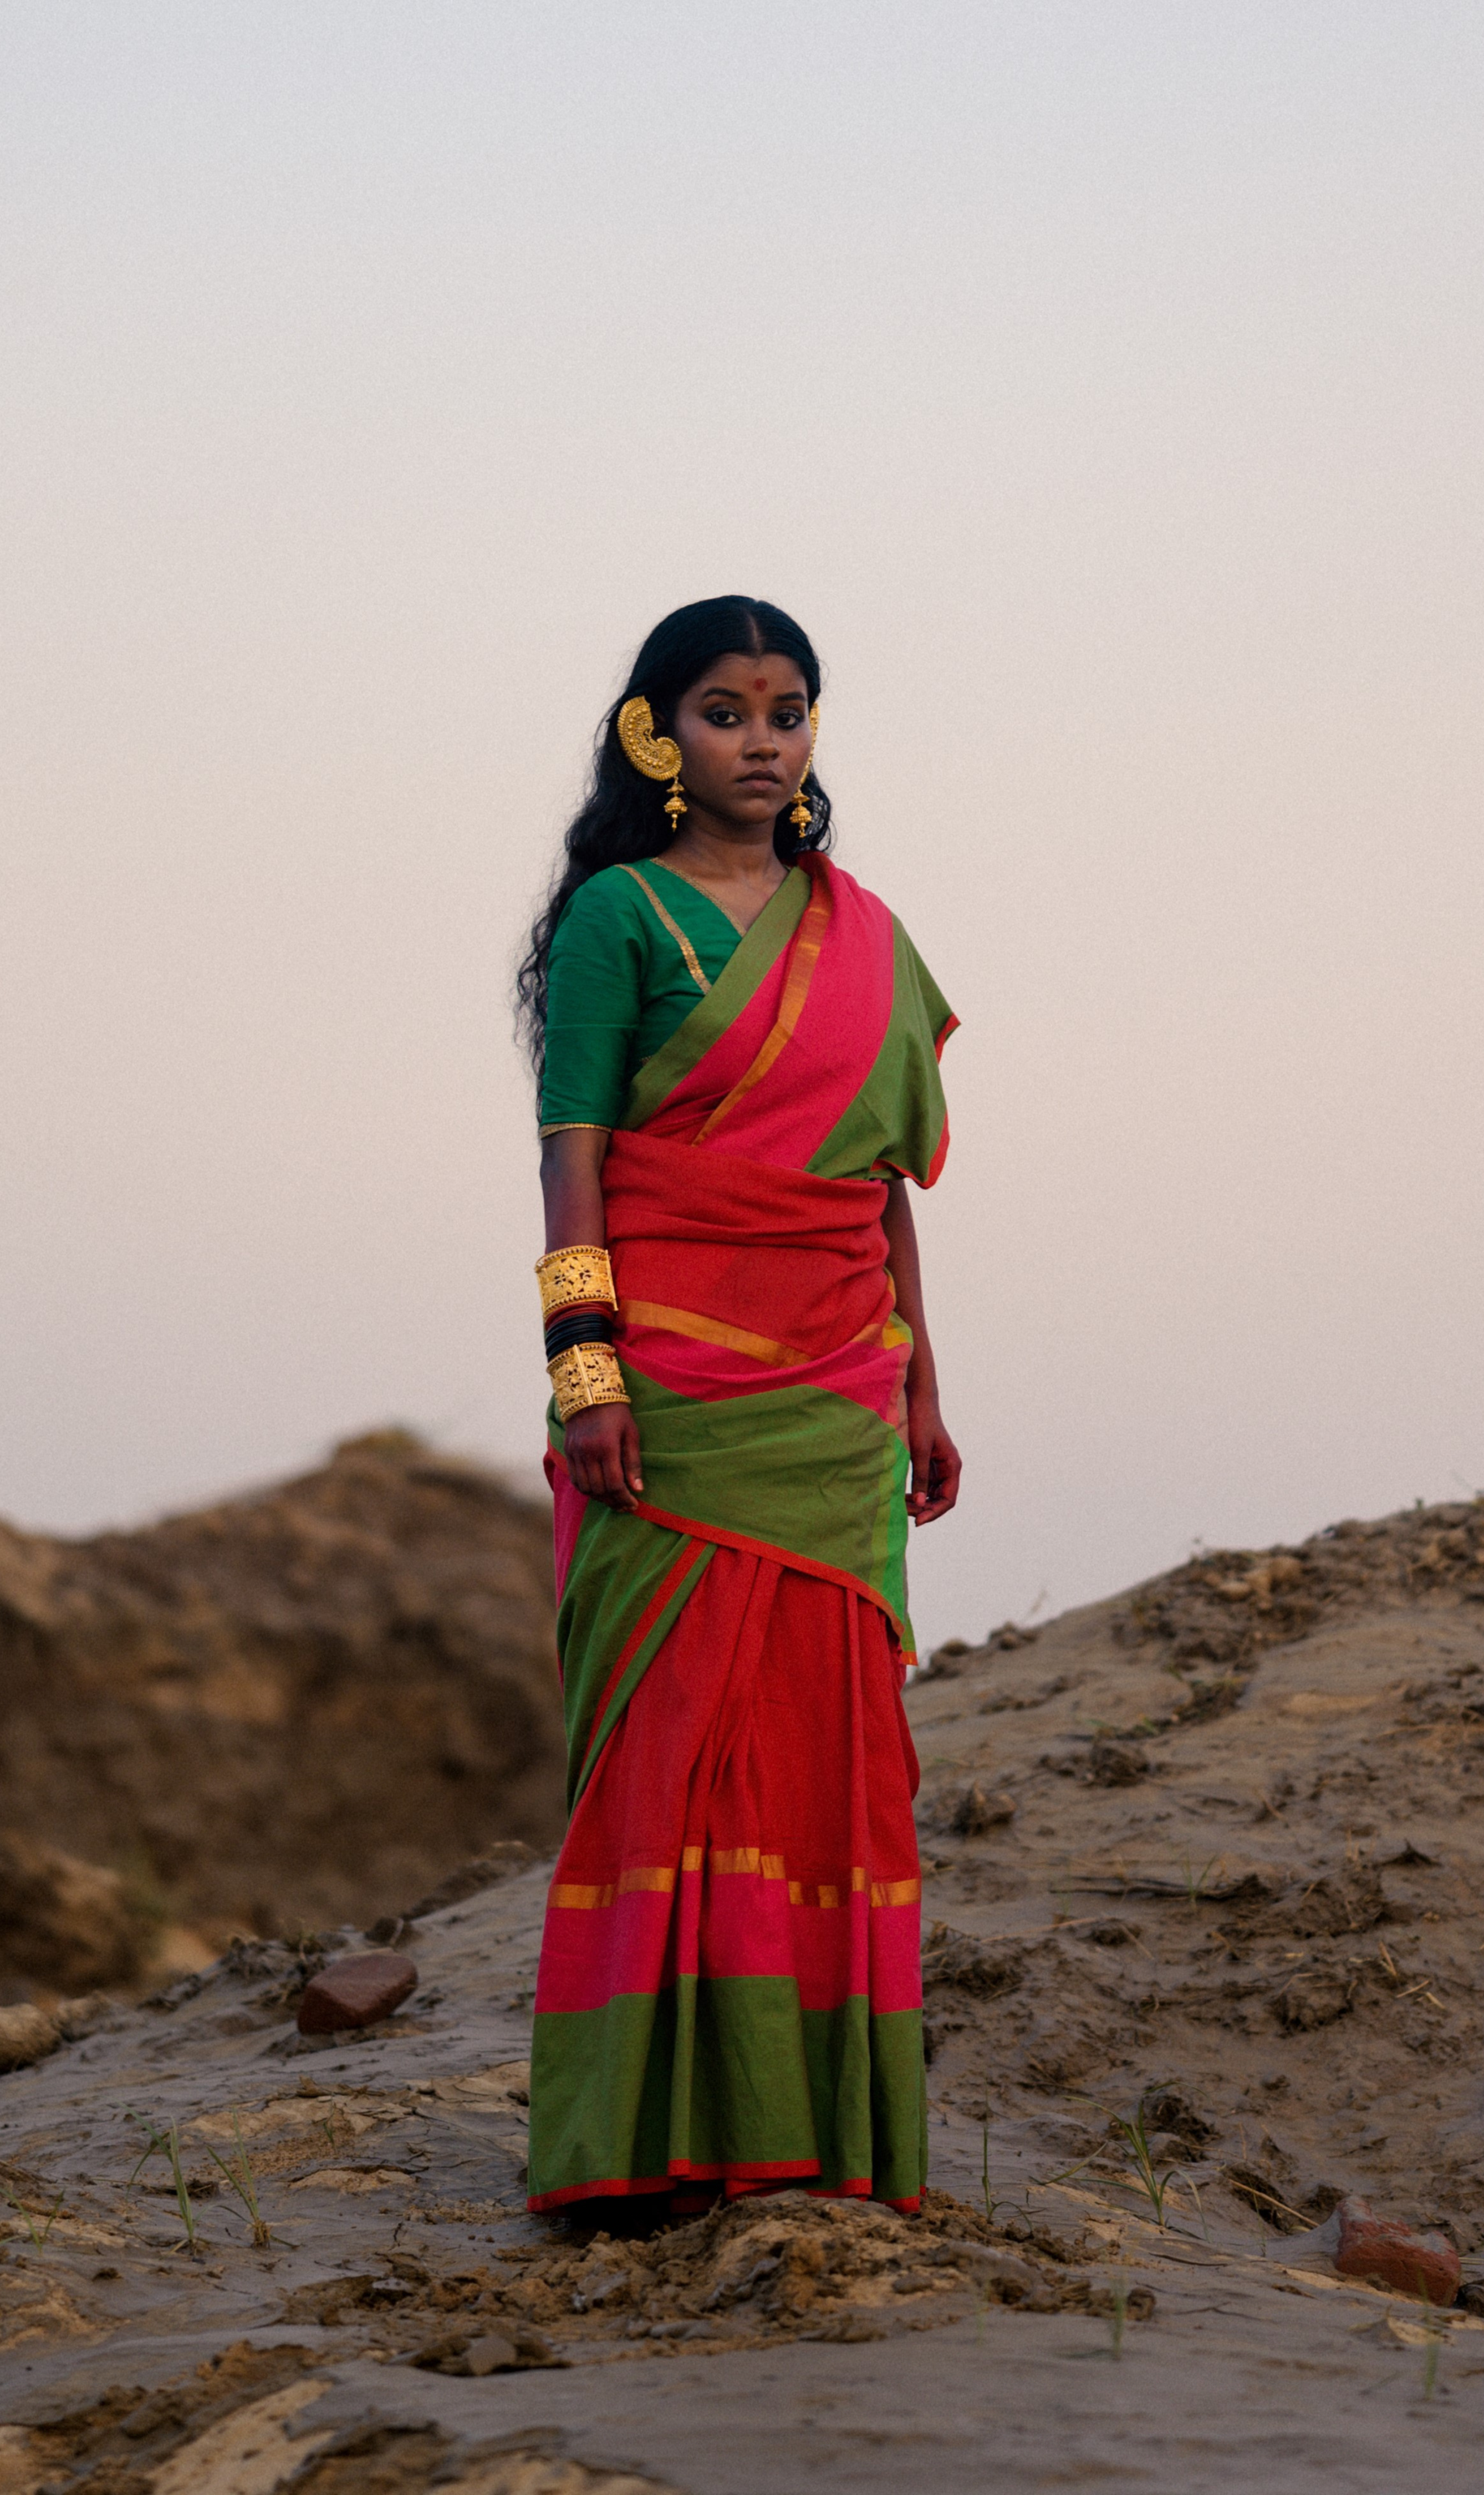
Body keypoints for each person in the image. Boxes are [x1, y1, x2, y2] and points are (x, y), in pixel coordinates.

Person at [514, 595, 960, 2223]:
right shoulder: (617, 918)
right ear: (658, 733)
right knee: (664, 1745)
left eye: (787, 711)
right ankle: (638, 2150)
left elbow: (886, 1181)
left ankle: (816, 2139)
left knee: (829, 1756)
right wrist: (586, 1370)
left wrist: (923, 1380)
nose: (762, 741)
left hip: (839, 1394)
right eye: (724, 710)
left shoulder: (866, 932)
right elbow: (573, 1155)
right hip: (671, 1385)